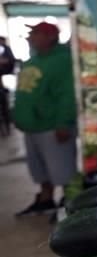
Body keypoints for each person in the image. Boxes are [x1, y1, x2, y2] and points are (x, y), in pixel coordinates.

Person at [13, 22, 78, 216]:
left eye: (35, 33)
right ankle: (45, 199)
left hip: (52, 126)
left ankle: (71, 206)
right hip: (32, 127)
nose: (30, 37)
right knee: (39, 169)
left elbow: (66, 95)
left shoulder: (62, 61)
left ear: (50, 37)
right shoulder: (32, 60)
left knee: (63, 169)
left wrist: (63, 123)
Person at [0, 36, 14, 136]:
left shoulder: (6, 49)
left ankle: (7, 125)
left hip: (3, 83)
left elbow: (9, 62)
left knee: (4, 105)